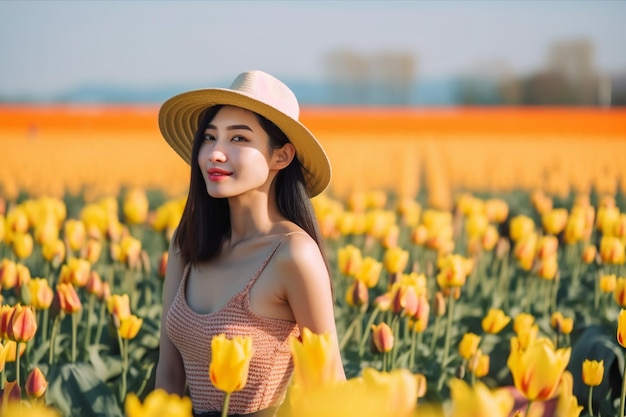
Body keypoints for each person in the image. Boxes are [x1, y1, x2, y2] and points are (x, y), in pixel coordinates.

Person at [155, 70, 346, 417]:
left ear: (281, 157)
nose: (215, 153)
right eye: (210, 138)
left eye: (239, 139)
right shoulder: (189, 243)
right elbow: (167, 375)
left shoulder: (293, 255)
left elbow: (329, 380)